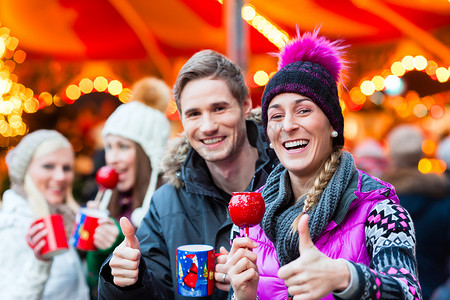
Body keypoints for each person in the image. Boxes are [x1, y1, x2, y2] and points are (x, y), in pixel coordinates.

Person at [225, 29, 422, 300]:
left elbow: (408, 293)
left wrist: (344, 276)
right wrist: (242, 296)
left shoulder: (380, 209)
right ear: (268, 135)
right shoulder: (250, 218)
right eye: (277, 115)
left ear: (332, 125)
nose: (289, 125)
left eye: (304, 110)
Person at [97, 49, 278, 300]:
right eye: (194, 114)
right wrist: (126, 280)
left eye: (219, 108)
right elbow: (156, 292)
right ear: (181, 118)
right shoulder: (167, 202)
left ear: (245, 105)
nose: (207, 126)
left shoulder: (289, 181)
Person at [85, 92, 172, 298]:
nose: (112, 158)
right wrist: (96, 250)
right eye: (108, 147)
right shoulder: (108, 201)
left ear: (148, 153)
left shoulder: (167, 203)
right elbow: (92, 282)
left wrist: (119, 244)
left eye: (123, 147)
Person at [0, 129, 90, 299]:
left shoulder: (66, 217)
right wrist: (40, 263)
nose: (60, 176)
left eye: (67, 168)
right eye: (48, 166)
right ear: (26, 170)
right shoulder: (10, 226)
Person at [382, 125, 450, 300]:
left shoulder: (377, 197)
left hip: (389, 292)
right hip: (433, 290)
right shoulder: (441, 195)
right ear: (422, 154)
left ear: (391, 155)